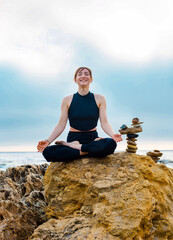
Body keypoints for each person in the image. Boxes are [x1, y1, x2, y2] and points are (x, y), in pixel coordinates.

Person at [37, 67, 122, 162]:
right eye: (80, 74)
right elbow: (61, 125)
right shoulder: (67, 100)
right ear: (75, 79)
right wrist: (48, 141)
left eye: (86, 74)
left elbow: (105, 123)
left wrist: (113, 134)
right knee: (47, 152)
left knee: (111, 144)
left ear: (91, 79)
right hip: (74, 137)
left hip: (92, 138)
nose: (83, 76)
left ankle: (75, 147)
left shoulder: (100, 98)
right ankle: (86, 150)